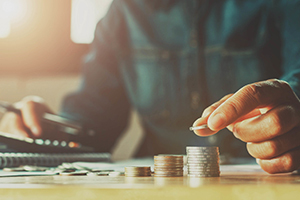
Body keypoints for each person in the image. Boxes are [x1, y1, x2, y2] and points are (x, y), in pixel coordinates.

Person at [1, 0, 300, 174]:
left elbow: (296, 80)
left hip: (267, 178)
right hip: (156, 185)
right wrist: (43, 128)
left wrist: (292, 111)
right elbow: (91, 124)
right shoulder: (122, 14)